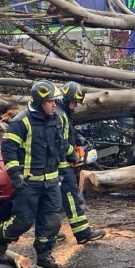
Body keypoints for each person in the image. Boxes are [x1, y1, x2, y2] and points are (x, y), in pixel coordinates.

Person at [0, 81, 71, 268]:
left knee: (52, 222)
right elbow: (8, 149)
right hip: (29, 183)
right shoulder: (21, 121)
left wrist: (67, 162)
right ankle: (0, 239)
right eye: (51, 101)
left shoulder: (56, 119)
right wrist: (15, 174)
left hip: (51, 182)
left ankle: (44, 258)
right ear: (39, 100)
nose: (54, 105)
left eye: (55, 101)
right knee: (23, 221)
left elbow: (59, 146)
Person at [57, 82, 106, 244]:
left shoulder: (62, 114)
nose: (75, 106)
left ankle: (48, 232)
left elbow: (68, 132)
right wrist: (73, 155)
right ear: (65, 99)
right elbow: (60, 142)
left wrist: (79, 138)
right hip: (61, 166)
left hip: (55, 166)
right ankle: (83, 233)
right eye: (73, 102)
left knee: (50, 200)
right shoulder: (60, 115)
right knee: (72, 197)